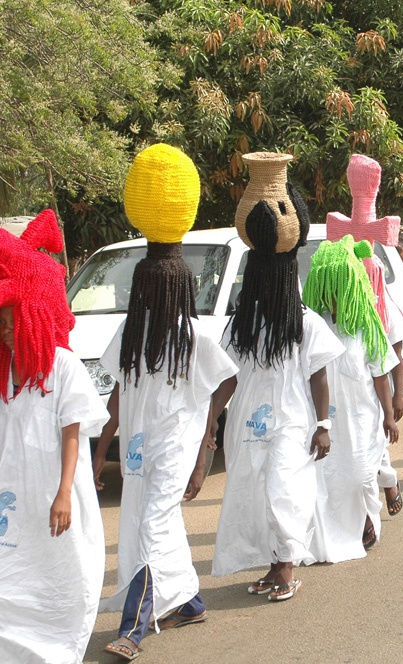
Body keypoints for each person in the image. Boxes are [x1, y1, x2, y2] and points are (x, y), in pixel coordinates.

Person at [93, 145, 239, 660]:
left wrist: (205, 439)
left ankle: (134, 625)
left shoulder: (192, 335)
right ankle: (191, 601)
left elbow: (226, 382)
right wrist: (100, 451)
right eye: (146, 287)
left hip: (174, 446)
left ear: (176, 288)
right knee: (143, 523)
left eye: (161, 287)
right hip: (136, 447)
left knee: (152, 523)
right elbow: (116, 393)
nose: (152, 295)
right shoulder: (131, 334)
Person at [212, 151, 343, 602]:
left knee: (283, 489)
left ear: (286, 282)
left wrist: (323, 425)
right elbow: (227, 378)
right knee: (254, 492)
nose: (264, 288)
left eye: (272, 282)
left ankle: (288, 567)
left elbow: (319, 377)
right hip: (248, 420)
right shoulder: (242, 325)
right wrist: (212, 422)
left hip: (291, 418)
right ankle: (273, 564)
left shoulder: (304, 322)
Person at [0, 209, 109, 663]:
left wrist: (64, 492)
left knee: (61, 570)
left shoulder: (62, 367)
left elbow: (71, 433)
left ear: (35, 314)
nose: (6, 330)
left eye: (12, 319)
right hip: (14, 496)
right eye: (0, 321)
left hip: (55, 493)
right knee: (11, 573)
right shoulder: (4, 372)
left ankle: (57, 648)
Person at [302, 235, 398, 558]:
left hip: (362, 418)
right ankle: (347, 529)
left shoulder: (366, 327)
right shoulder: (316, 326)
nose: (333, 298)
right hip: (329, 421)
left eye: (338, 289)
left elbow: (381, 374)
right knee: (332, 481)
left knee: (360, 476)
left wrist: (389, 414)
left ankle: (369, 516)